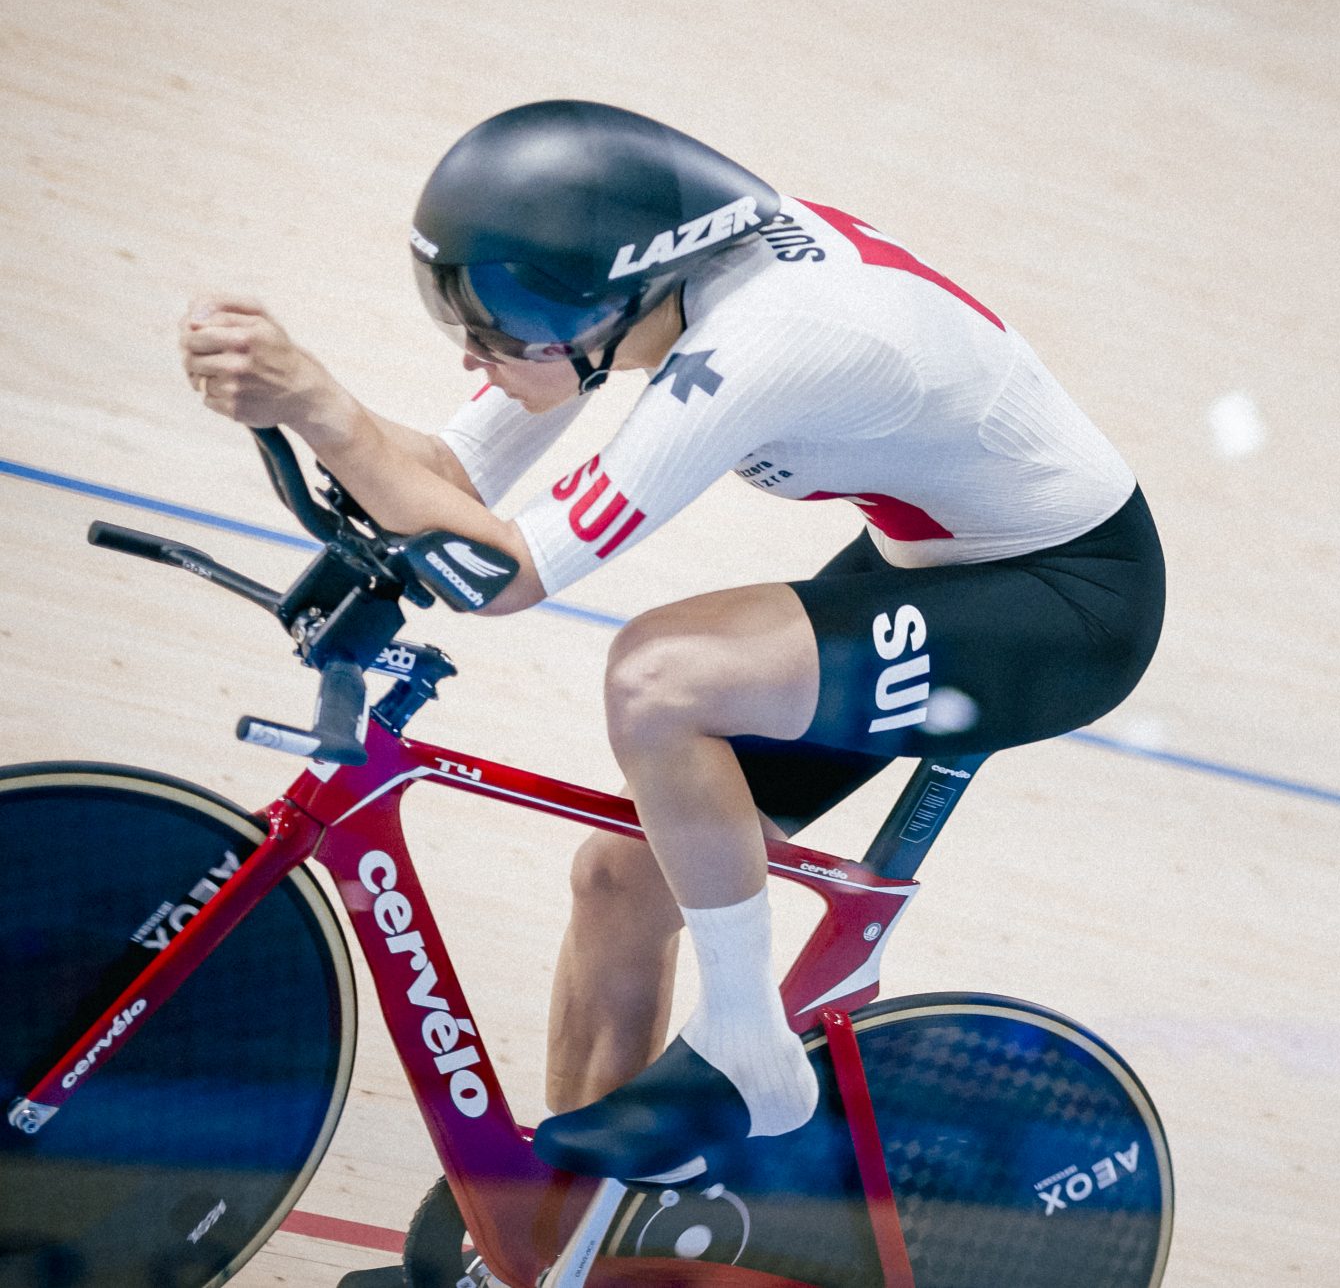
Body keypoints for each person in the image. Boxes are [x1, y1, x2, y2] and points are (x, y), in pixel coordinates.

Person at [179, 98, 1164, 1183]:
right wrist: (311, 404)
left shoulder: (766, 339)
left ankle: (747, 1051)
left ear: (632, 283)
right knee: (624, 880)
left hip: (1065, 607)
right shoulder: (620, 297)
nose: (488, 344)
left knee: (660, 676)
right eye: (467, 306)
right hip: (945, 569)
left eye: (511, 316)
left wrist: (323, 406)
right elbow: (455, 486)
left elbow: (509, 572)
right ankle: (566, 1236)